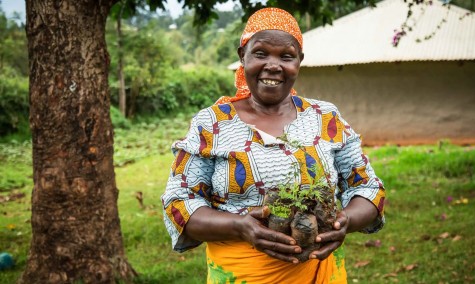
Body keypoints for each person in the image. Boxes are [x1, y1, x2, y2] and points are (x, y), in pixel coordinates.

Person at [161, 7, 385, 284]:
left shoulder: (325, 118)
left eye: (286, 56)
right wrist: (239, 226)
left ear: (299, 61)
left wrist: (344, 222)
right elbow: (179, 203)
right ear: (242, 55)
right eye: (261, 53)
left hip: (320, 273)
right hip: (240, 275)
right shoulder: (212, 124)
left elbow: (368, 187)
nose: (273, 65)